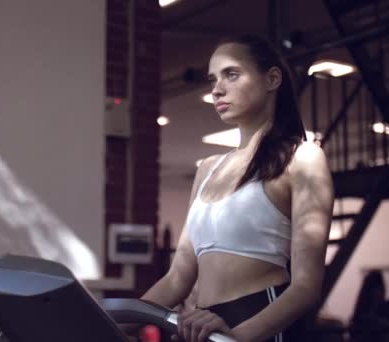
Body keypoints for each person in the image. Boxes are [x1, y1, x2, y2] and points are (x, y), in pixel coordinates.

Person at [140, 34, 334, 342]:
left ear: (272, 79)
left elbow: (306, 287)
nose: (217, 88)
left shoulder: (303, 159)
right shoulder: (207, 169)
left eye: (231, 74)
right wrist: (112, 324)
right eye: (213, 79)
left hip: (258, 321)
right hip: (203, 327)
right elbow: (177, 278)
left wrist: (236, 338)